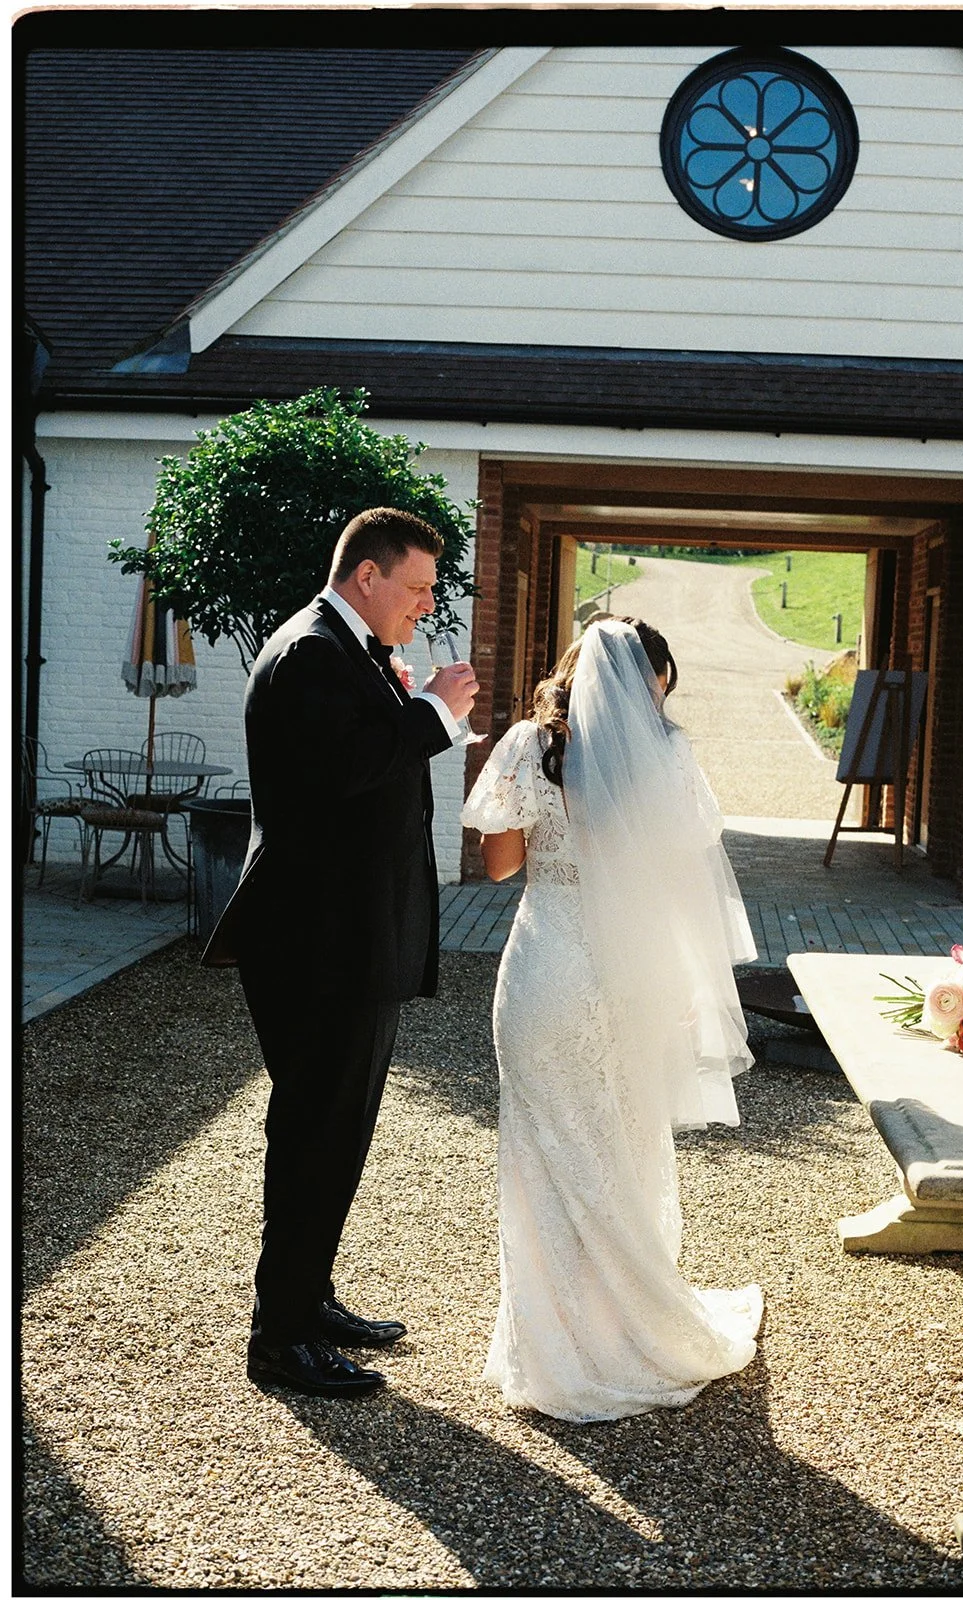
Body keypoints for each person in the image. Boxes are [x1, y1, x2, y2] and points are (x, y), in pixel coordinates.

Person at [203, 506, 477, 1398]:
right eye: (419, 586)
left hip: (349, 936)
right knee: (317, 1134)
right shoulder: (312, 650)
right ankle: (279, 1340)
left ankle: (308, 1298)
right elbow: (343, 776)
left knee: (337, 1133)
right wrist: (433, 708)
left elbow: (363, 768)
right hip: (318, 943)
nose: (426, 605)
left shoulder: (343, 647)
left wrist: (411, 703)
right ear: (369, 576)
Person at [461, 616, 762, 1422]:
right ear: (648, 682)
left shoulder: (529, 743)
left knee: (542, 1148)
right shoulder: (667, 753)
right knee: (621, 1143)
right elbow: (677, 872)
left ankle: (555, 1343)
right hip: (630, 972)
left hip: (548, 965)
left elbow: (500, 866)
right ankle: (629, 1324)